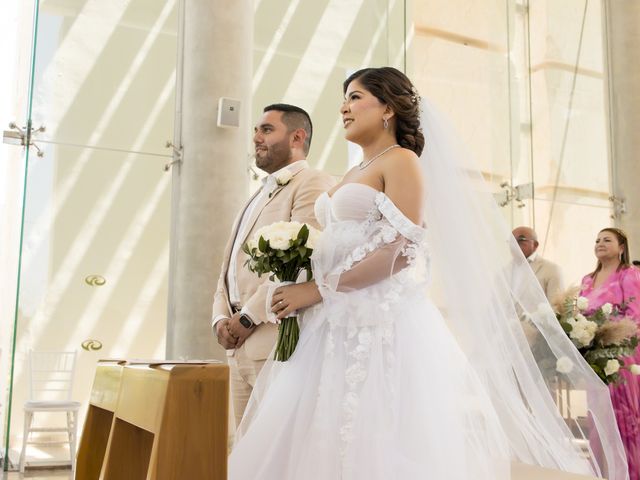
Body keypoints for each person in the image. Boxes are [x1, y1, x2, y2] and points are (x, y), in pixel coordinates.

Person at [228, 68, 628, 480]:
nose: (344, 107)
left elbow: (403, 250)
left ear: (387, 108)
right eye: (343, 99)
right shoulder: (352, 172)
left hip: (376, 323)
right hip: (333, 321)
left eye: (355, 97)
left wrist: (318, 289)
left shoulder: (401, 161)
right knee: (318, 431)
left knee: (371, 431)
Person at [211, 103, 335, 429]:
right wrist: (220, 319)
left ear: (297, 137)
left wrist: (248, 318)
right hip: (237, 348)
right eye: (256, 130)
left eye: (266, 130)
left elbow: (301, 263)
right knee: (242, 454)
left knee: (273, 453)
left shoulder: (311, 183)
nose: (256, 137)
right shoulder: (256, 195)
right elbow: (228, 267)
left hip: (272, 341)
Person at [579, 228, 640, 479]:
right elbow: (579, 316)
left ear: (622, 247)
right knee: (599, 420)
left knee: (624, 418)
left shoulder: (630, 274)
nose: (600, 244)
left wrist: (610, 339)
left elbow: (635, 315)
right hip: (595, 359)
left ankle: (630, 473)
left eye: (607, 240)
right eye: (597, 240)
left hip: (622, 355)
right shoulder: (587, 279)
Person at [512, 226, 564, 301]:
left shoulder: (552, 269)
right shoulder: (504, 272)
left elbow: (557, 307)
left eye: (520, 240)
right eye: (512, 241)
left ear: (535, 245)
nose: (515, 245)